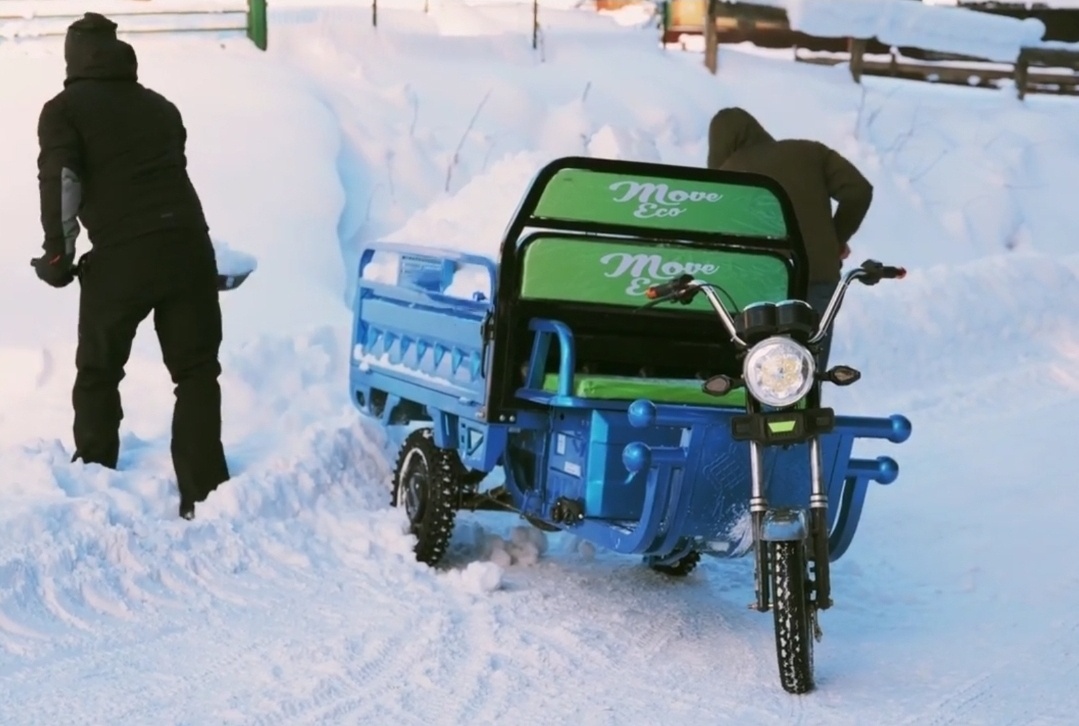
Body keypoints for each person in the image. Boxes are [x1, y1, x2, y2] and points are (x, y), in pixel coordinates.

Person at [31, 12, 229, 520]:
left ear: (73, 58)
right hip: (188, 247)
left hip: (123, 254)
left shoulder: (63, 110)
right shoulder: (162, 107)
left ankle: (96, 478)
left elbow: (62, 178)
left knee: (98, 370)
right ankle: (204, 493)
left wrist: (59, 254)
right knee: (197, 371)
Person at [706, 106, 873, 370]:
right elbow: (859, 191)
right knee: (807, 370)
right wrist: (835, 240)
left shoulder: (729, 173)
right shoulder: (809, 152)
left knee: (761, 374)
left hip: (757, 287)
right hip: (819, 278)